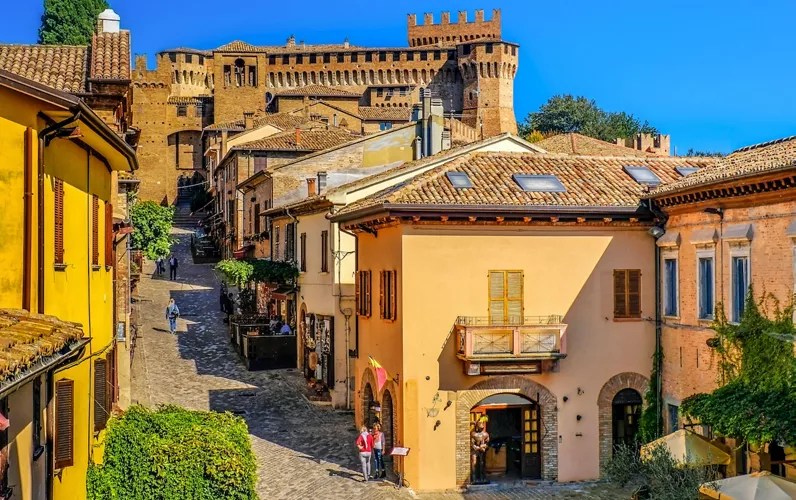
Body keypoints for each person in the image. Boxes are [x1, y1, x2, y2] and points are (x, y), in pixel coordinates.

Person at [470, 419, 490, 484]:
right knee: (474, 463)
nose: (481, 428)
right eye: (480, 427)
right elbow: (471, 444)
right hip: (474, 451)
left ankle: (482, 478)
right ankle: (474, 479)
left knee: (482, 463)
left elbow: (487, 444)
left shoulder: (485, 434)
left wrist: (484, 446)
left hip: (482, 451)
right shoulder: (473, 434)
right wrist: (477, 447)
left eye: (482, 427)